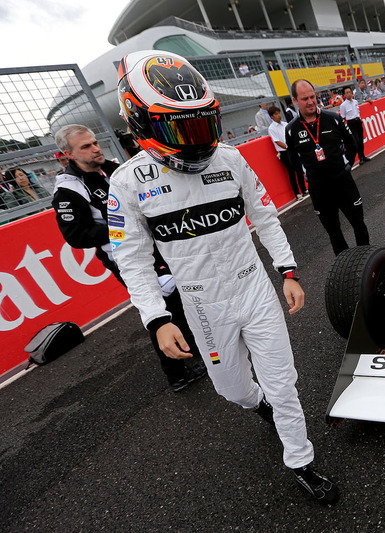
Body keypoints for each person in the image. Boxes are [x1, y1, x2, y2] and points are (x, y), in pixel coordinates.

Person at [111, 51, 338, 504]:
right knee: (233, 389)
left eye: (201, 125)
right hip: (200, 301)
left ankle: (301, 459)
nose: (196, 140)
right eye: (180, 128)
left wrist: (287, 270)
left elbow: (266, 216)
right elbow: (132, 260)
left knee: (284, 381)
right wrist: (157, 319)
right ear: (141, 124)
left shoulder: (231, 160)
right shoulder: (127, 183)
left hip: (252, 283)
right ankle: (258, 405)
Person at [51, 124, 207, 392]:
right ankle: (177, 374)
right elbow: (77, 236)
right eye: (86, 146)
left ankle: (189, 351)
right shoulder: (68, 189)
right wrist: (126, 225)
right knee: (160, 312)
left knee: (180, 302)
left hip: (156, 247)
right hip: (127, 258)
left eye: (95, 142)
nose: (95, 148)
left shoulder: (112, 169)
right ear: (68, 154)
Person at [285, 79, 369, 256]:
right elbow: (293, 161)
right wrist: (310, 175)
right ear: (295, 100)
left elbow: (351, 144)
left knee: (358, 223)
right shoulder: (291, 129)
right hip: (319, 189)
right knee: (334, 233)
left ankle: (367, 264)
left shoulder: (333, 118)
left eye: (312, 97)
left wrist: (345, 166)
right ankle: (345, 269)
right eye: (304, 98)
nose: (310, 102)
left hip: (343, 182)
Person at [267, 105, 307, 199]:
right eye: (276, 114)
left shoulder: (285, 124)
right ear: (271, 116)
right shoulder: (271, 128)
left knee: (299, 170)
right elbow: (277, 141)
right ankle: (297, 193)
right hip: (285, 153)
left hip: (292, 150)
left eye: (279, 113)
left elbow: (292, 136)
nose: (279, 115)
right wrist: (289, 147)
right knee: (291, 173)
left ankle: (304, 189)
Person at [338, 86, 370, 165]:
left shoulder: (355, 102)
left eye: (350, 92)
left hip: (358, 121)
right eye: (347, 93)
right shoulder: (343, 105)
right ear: (344, 95)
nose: (349, 94)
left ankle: (362, 156)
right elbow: (343, 117)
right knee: (356, 141)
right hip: (351, 123)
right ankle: (358, 158)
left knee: (361, 139)